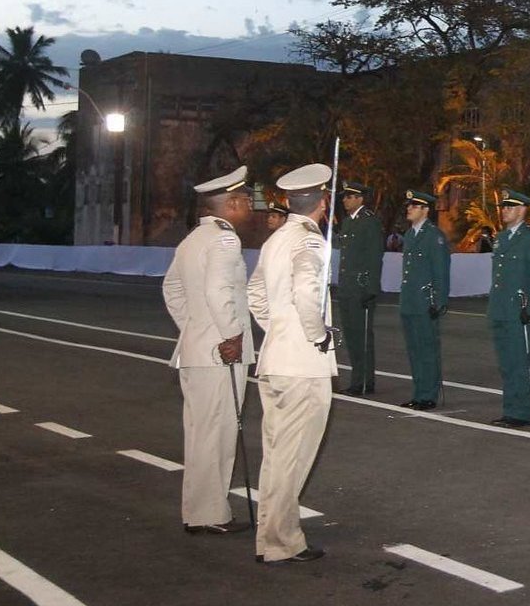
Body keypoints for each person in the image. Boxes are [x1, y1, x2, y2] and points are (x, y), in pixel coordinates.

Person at [246, 163, 337, 565]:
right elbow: (306, 290)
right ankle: (282, 540)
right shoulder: (310, 240)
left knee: (278, 453)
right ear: (323, 200)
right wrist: (316, 335)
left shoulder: (276, 238)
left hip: (276, 357)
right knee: (293, 455)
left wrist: (277, 328)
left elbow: (255, 294)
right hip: (302, 363)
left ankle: (271, 538)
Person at [161, 166, 254, 536]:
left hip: (198, 348)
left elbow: (171, 289)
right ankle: (211, 514)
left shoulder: (193, 239)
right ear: (230, 203)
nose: (249, 205)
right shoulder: (225, 241)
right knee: (217, 433)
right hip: (221, 353)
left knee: (201, 431)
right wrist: (230, 334)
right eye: (245, 199)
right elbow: (219, 290)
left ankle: (200, 510)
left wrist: (195, 327)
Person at [488, 188, 530, 429]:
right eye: (504, 207)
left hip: (518, 310)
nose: (504, 211)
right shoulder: (501, 238)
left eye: (509, 207)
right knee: (506, 362)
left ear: (522, 210)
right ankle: (510, 408)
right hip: (500, 308)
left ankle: (523, 411)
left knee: (520, 361)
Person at [398, 190, 450, 410]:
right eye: (409, 205)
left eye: (414, 206)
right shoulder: (410, 235)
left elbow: (441, 271)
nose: (409, 209)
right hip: (410, 300)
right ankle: (419, 392)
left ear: (425, 210)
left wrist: (439, 301)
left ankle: (428, 395)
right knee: (414, 349)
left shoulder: (434, 236)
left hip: (425, 301)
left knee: (427, 349)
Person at [334, 181, 384, 397]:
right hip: (347, 287)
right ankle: (357, 378)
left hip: (361, 287)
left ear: (360, 199)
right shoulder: (347, 223)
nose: (344, 200)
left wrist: (370, 289)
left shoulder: (369, 222)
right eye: (344, 196)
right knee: (352, 335)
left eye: (349, 196)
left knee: (362, 336)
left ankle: (364, 381)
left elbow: (374, 257)